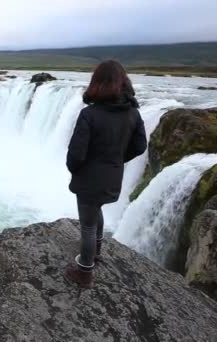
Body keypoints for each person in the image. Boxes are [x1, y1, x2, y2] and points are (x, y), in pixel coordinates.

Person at [64, 60, 147, 288]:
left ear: (97, 84)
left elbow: (76, 154)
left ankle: (84, 272)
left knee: (87, 226)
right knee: (96, 211)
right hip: (112, 178)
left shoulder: (89, 114)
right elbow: (140, 146)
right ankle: (98, 249)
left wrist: (75, 169)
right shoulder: (133, 114)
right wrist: (117, 160)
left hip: (89, 180)